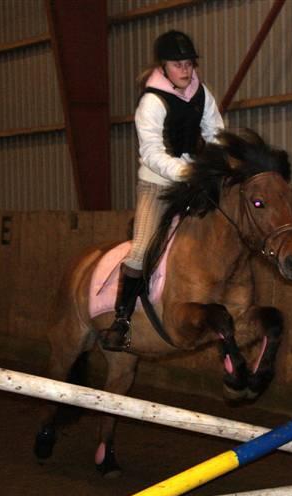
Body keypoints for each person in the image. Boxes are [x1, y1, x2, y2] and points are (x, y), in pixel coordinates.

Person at [99, 30, 225, 351]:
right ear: (163, 67)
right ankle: (122, 320)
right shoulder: (151, 101)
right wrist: (187, 170)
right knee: (141, 250)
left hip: (193, 178)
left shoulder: (200, 92)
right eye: (177, 64)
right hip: (157, 184)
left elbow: (215, 131)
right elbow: (152, 154)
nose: (185, 70)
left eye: (189, 64)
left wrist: (216, 164)